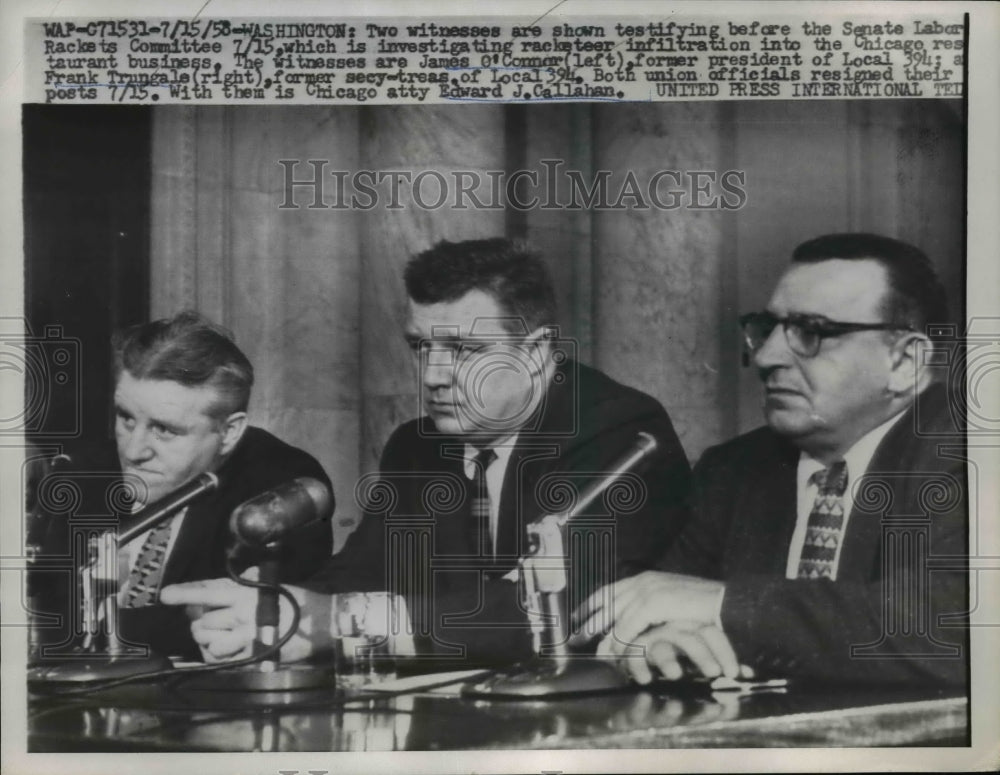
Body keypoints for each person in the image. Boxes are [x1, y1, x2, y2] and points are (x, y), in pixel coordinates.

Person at [163, 238, 692, 668]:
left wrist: (337, 621)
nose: (433, 376)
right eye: (421, 347)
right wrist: (267, 612)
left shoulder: (617, 432)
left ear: (535, 353)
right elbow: (360, 574)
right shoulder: (416, 447)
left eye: (463, 349)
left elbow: (551, 609)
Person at [578, 233, 968, 689]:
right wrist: (657, 640)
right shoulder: (732, 471)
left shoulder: (969, 452)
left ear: (905, 361)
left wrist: (723, 605)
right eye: (768, 328)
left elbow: (959, 624)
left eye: (811, 332)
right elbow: (659, 601)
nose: (765, 356)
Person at [34, 312, 333, 661]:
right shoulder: (82, 472)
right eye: (126, 418)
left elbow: (234, 625)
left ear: (229, 432)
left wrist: (105, 624)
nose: (133, 451)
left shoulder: (280, 482)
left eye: (164, 430)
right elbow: (43, 613)